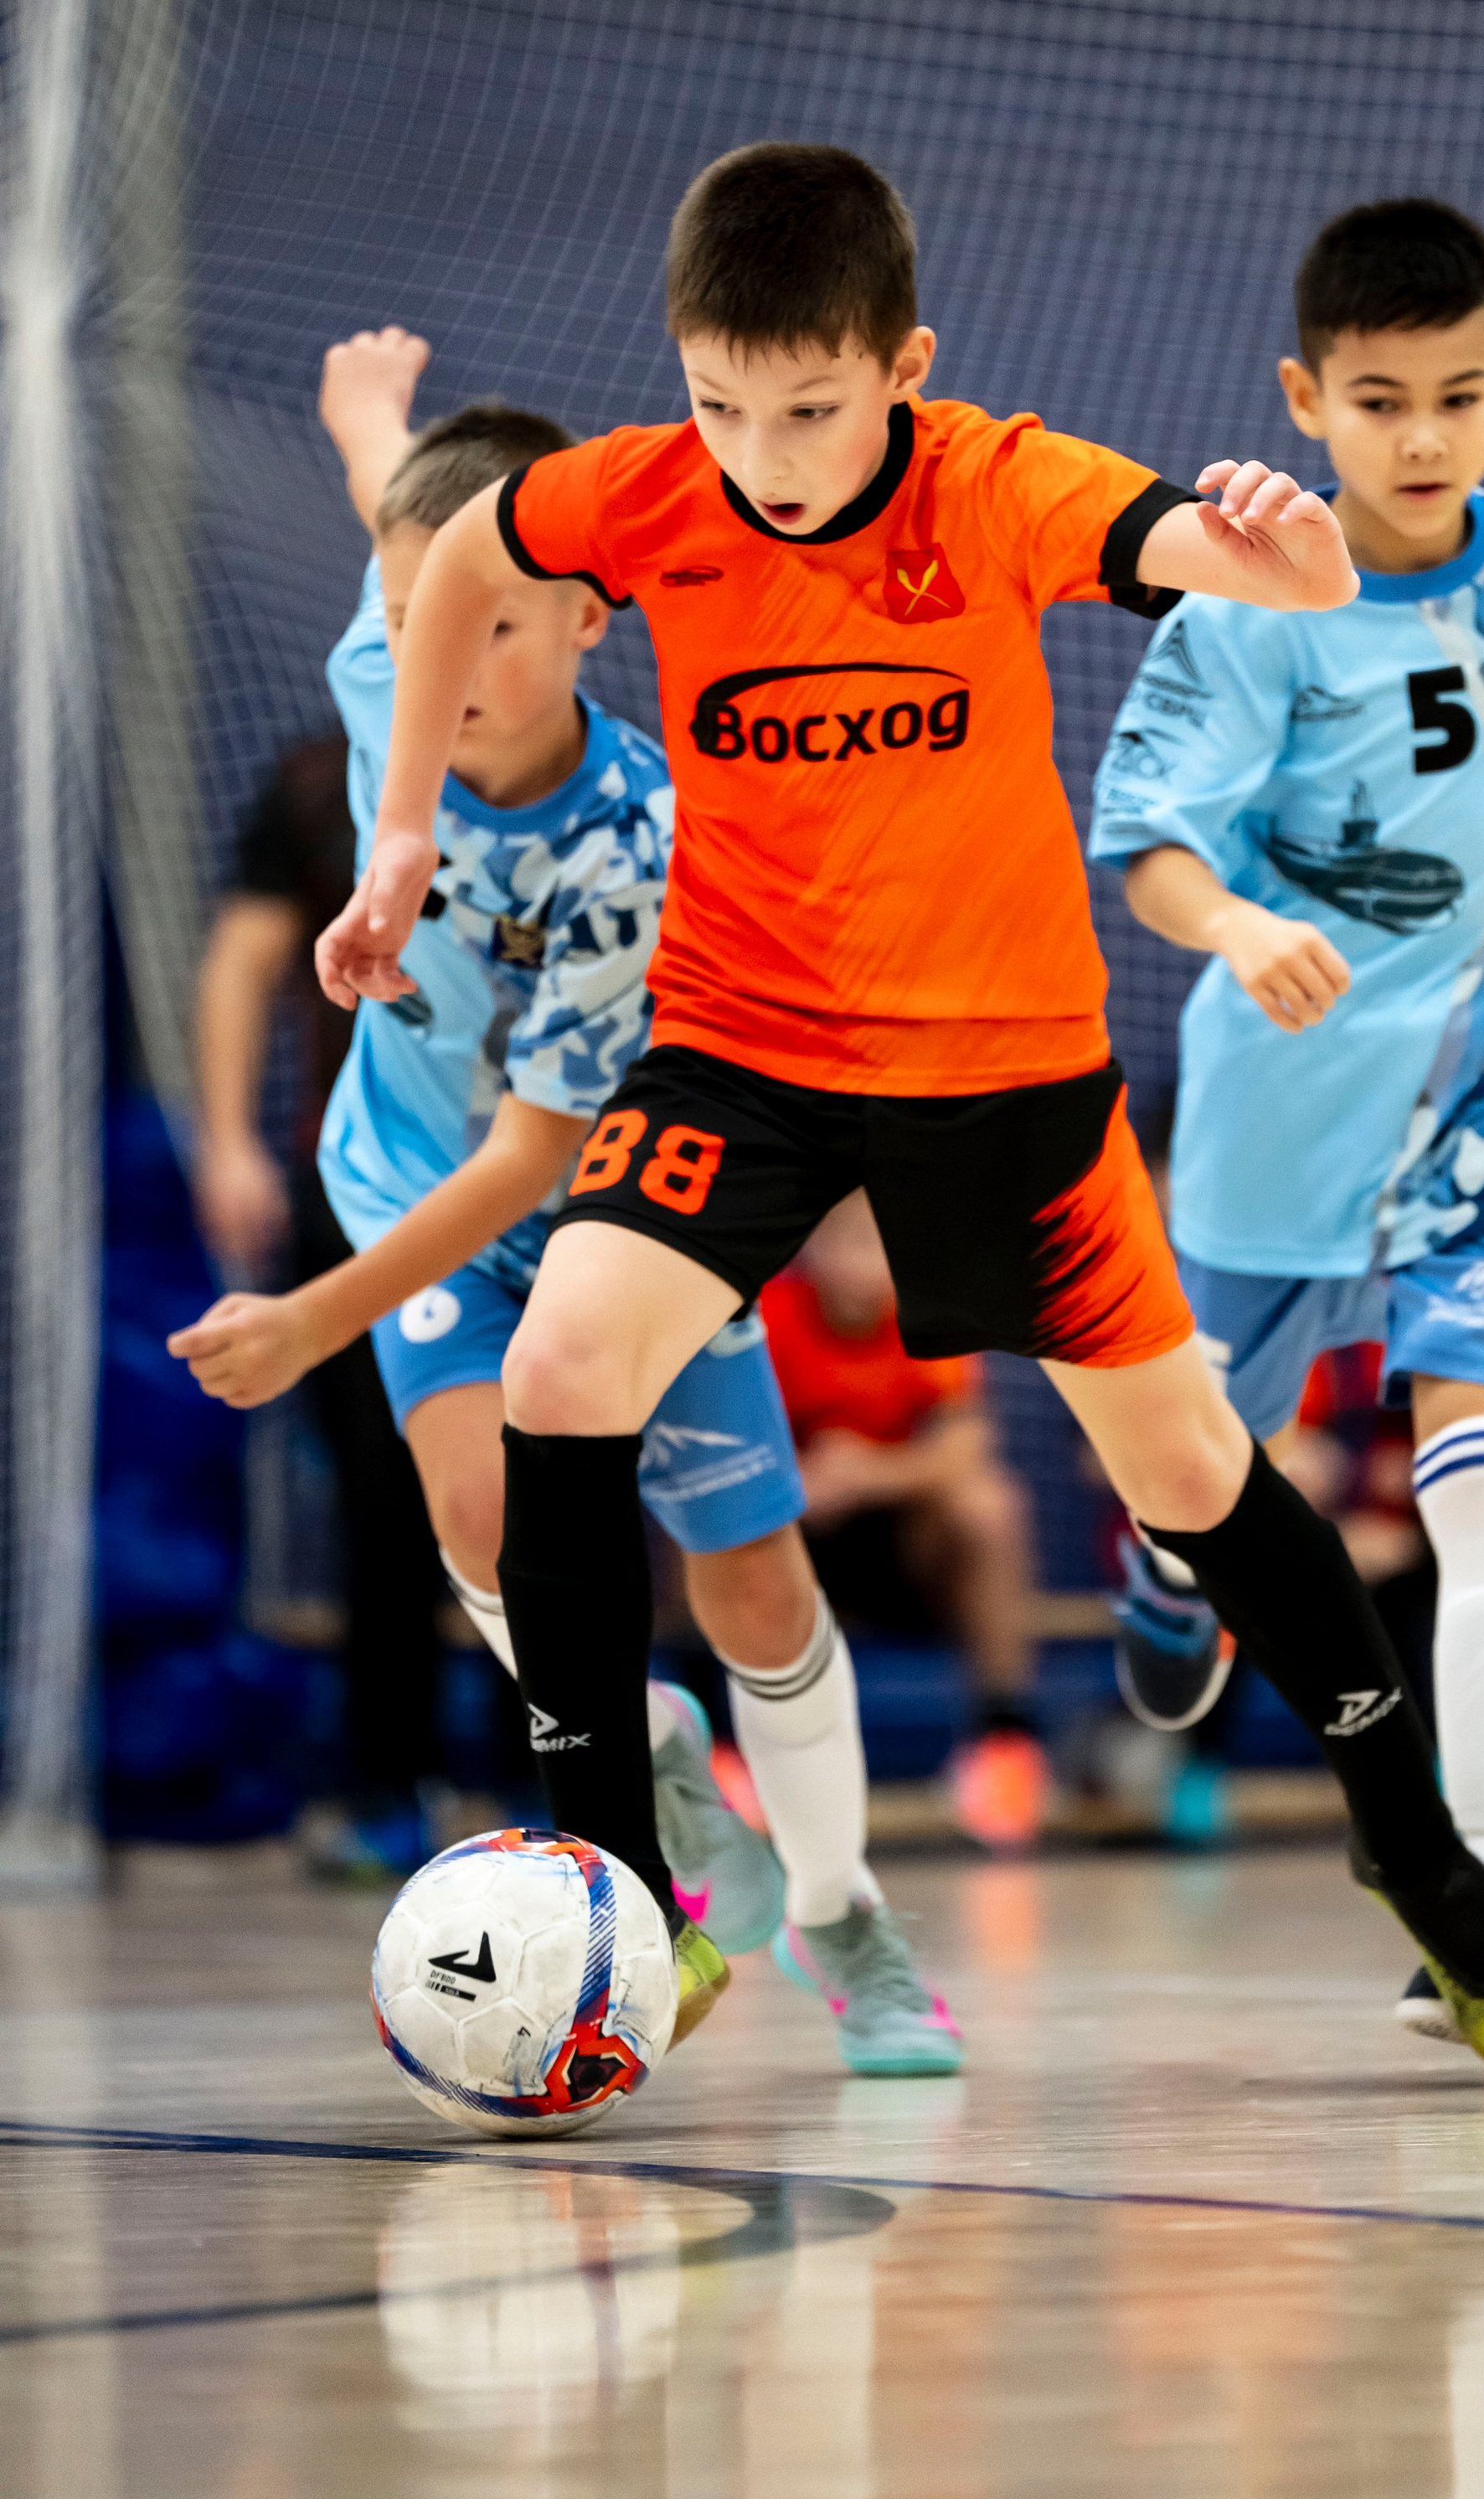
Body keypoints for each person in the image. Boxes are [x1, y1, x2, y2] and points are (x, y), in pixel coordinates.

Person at [316, 140, 1484, 2086]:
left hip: (999, 1071)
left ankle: (1417, 1854)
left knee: (1184, 1470)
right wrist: (401, 830)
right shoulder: (650, 492)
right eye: (725, 403)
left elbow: (1207, 549)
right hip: (739, 1047)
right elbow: (473, 548)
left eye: (811, 408)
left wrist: (1290, 553)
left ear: (902, 364)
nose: (767, 454)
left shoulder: (990, 483)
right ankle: (617, 1894)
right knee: (567, 1356)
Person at [173, 327, 960, 2073]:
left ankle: (843, 1914)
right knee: (475, 1518)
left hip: (616, 1214)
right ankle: (644, 1764)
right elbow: (425, 524)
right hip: (407, 1186)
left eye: (494, 625)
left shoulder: (632, 844)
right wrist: (359, 411)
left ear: (587, 619)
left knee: (756, 1586)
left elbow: (535, 1160)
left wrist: (316, 1317)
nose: (439, 652)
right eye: (413, 618)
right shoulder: (407, 658)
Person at [1089, 191, 1484, 2049]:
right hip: (1278, 1118)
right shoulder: (1244, 594)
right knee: (1198, 1480)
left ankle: (1481, 1906)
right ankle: (1166, 1569)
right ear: (1305, 399)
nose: (1418, 438)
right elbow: (1147, 850)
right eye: (1374, 401)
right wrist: (1244, 920)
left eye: (1451, 396)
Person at [192, 731, 447, 1880]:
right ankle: (388, 1787)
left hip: (537, 1192)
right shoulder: (315, 777)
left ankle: (568, 1795)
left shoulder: (586, 782)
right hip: (357, 1196)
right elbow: (243, 956)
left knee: (540, 1493)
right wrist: (229, 1140)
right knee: (382, 1509)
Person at [761, 1191, 1052, 1850]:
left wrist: (863, 1474)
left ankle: (1006, 1743)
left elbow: (965, 1451)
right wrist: (795, 1485)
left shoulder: (929, 1320)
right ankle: (729, 1754)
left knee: (990, 1506)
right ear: (814, 1248)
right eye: (850, 1242)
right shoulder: (769, 1319)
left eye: (881, 1245)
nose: (866, 1264)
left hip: (903, 1556)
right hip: (793, 1548)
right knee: (709, 1513)